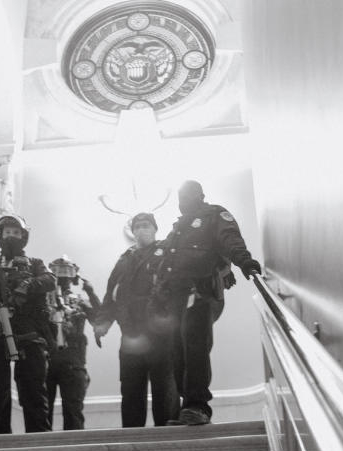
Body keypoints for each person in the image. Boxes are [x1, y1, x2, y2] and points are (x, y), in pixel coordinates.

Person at [152, 181, 261, 426]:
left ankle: (198, 407)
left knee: (194, 347)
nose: (183, 199)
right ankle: (187, 405)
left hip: (200, 291)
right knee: (177, 353)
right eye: (180, 195)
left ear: (200, 195)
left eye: (187, 194)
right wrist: (157, 297)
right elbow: (164, 265)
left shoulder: (214, 215)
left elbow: (230, 238)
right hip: (175, 300)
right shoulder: (177, 229)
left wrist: (244, 262)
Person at [0, 214, 55, 433]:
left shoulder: (35, 264)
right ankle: (0, 437)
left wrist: (26, 285)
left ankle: (39, 439)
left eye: (16, 232)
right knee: (0, 391)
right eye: (7, 232)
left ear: (23, 236)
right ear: (0, 235)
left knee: (32, 389)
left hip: (29, 335)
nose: (12, 236)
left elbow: (49, 280)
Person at [95, 212, 180, 428]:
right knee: (131, 389)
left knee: (165, 387)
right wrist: (103, 323)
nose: (142, 230)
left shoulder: (167, 254)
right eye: (138, 227)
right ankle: (132, 437)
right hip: (130, 336)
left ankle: (168, 437)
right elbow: (111, 295)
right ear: (132, 232)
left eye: (146, 225)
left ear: (154, 229)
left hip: (161, 335)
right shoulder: (124, 260)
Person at [45, 256, 101, 430]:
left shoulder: (80, 301)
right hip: (46, 359)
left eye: (67, 270)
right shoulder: (41, 298)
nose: (62, 275)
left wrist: (90, 292)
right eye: (57, 270)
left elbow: (98, 319)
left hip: (73, 360)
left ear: (74, 275)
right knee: (41, 411)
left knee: (74, 410)